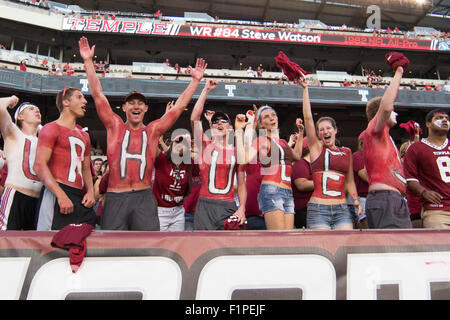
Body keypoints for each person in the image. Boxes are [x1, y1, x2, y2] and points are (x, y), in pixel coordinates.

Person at [79, 36, 207, 230]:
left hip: (144, 197)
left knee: (147, 248)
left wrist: (195, 81)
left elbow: (179, 107)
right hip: (115, 196)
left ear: (146, 109)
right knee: (113, 249)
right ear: (123, 108)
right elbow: (97, 95)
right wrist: (88, 62)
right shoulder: (114, 126)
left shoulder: (153, 131)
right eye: (131, 103)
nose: (136, 106)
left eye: (140, 103)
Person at [360, 52, 412, 229]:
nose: (395, 113)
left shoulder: (385, 137)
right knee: (394, 251)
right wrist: (398, 72)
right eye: (393, 111)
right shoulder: (374, 130)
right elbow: (388, 106)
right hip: (386, 199)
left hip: (392, 199)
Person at [301, 80, 361, 230]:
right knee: (322, 246)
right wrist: (305, 89)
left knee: (344, 246)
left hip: (342, 209)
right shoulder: (316, 148)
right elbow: (308, 118)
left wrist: (355, 199)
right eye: (321, 129)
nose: (325, 132)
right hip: (318, 208)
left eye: (328, 128)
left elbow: (350, 182)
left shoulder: (346, 152)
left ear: (335, 130)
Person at [34, 87, 97, 230]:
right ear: (66, 102)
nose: (85, 101)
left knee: (83, 240)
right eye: (79, 97)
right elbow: (39, 165)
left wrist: (91, 191)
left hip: (79, 196)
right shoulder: (51, 128)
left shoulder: (84, 136)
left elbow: (86, 168)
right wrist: (60, 195)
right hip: (57, 192)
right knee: (50, 243)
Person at [236, 103, 304, 230]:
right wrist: (239, 130)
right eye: (266, 117)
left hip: (288, 192)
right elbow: (243, 159)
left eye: (273, 115)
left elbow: (297, 156)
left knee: (287, 238)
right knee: (279, 238)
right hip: (272, 191)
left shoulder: (283, 142)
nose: (272, 118)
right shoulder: (261, 140)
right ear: (261, 124)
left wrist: (301, 133)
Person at [190, 79, 247, 230]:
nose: (219, 123)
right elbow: (194, 119)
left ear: (229, 126)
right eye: (215, 122)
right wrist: (206, 90)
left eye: (223, 121)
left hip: (228, 205)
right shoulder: (205, 146)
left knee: (229, 248)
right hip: (205, 206)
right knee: (203, 246)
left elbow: (241, 184)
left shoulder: (237, 151)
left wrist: (242, 208)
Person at [0, 96, 43, 231]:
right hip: (16, 194)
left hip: (38, 199)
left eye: (38, 110)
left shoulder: (44, 140)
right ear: (20, 116)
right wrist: (11, 99)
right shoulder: (13, 133)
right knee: (6, 239)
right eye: (31, 109)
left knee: (32, 242)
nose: (37, 111)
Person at [404, 109, 450, 229]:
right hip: (437, 210)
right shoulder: (416, 148)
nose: (445, 120)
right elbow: (410, 179)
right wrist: (424, 192)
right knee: (442, 246)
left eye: (446, 118)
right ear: (428, 124)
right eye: (439, 118)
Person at [153, 132, 192, 231]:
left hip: (178, 212)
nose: (179, 145)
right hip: (160, 212)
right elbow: (150, 145)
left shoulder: (189, 164)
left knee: (176, 244)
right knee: (159, 244)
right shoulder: (162, 160)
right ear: (171, 144)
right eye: (177, 142)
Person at [291, 137, 313, 229]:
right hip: (304, 210)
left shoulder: (316, 164)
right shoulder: (300, 163)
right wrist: (323, 181)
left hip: (314, 208)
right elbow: (301, 185)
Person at [352, 139, 369, 229]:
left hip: (375, 198)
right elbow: (364, 175)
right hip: (362, 198)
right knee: (365, 227)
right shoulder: (358, 155)